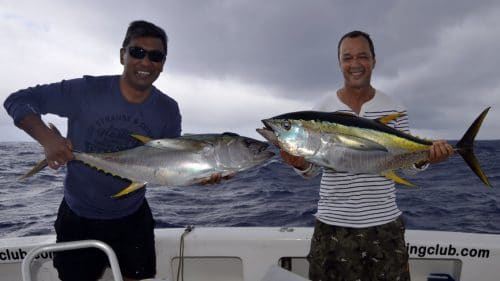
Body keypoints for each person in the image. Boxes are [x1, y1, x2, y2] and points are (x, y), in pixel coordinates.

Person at [4, 20, 198, 281]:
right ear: (122, 55)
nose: (146, 62)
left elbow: (170, 164)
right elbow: (17, 100)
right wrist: (48, 139)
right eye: (137, 52)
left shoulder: (167, 109)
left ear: (163, 63)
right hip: (78, 215)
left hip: (132, 216)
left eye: (156, 56)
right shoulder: (86, 91)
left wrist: (205, 175)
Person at [280, 30, 455, 281]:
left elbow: (405, 166)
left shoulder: (395, 106)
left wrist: (427, 157)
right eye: (347, 57)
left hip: (385, 227)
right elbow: (313, 170)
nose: (355, 64)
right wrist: (299, 164)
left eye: (362, 56)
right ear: (339, 63)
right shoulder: (322, 109)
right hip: (332, 227)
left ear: (374, 60)